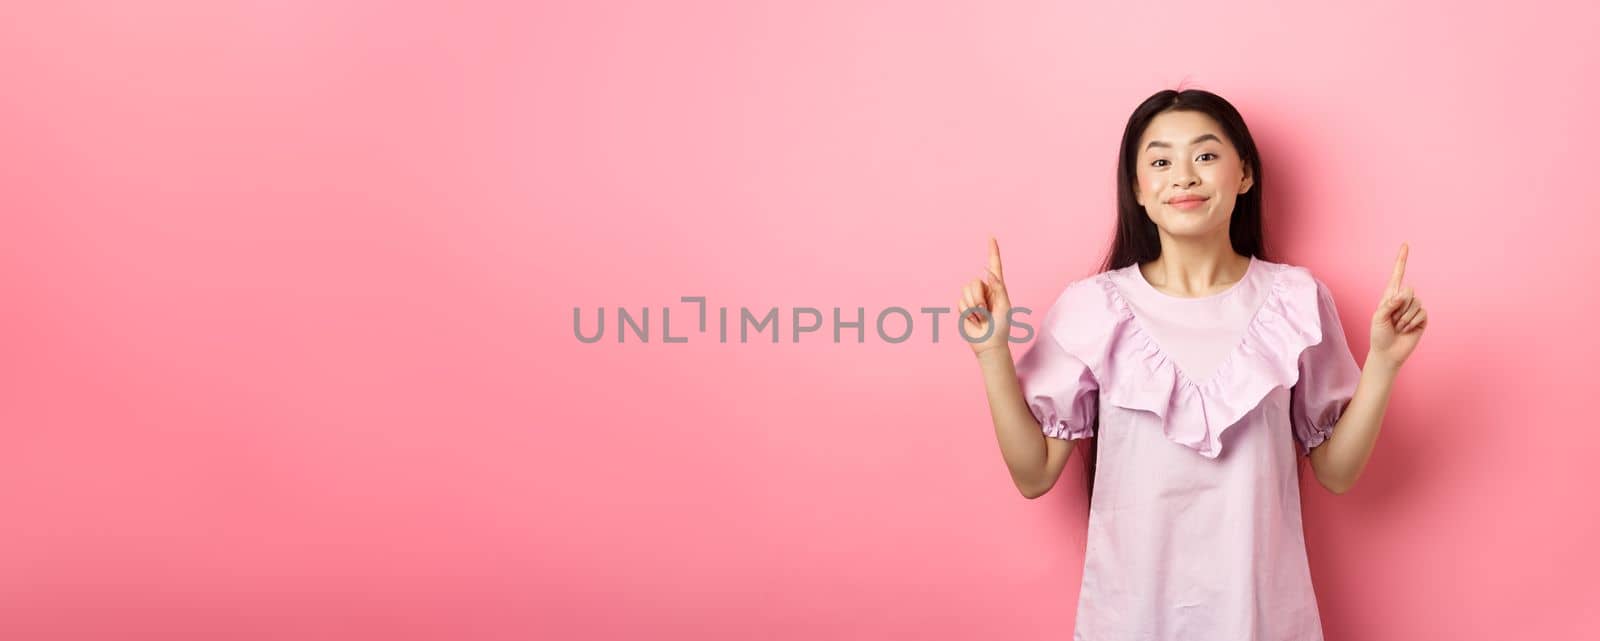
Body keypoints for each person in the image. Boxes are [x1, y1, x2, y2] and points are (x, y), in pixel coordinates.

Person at [957, 88, 1428, 640]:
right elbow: (1034, 474)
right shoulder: (1093, 308)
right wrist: (991, 353)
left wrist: (1385, 363)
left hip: (1261, 619)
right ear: (1137, 189)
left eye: (1205, 156)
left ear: (1244, 174)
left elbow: (1338, 472)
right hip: (1130, 621)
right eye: (1160, 161)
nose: (1183, 176)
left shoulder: (1295, 300)